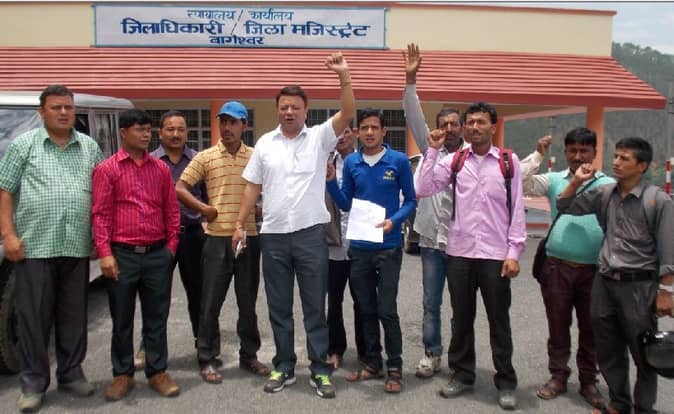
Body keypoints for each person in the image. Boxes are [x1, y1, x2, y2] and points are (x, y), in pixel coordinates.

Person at [232, 52, 355, 399]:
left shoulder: (319, 138)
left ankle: (319, 370)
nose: (289, 112)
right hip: (273, 237)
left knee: (315, 307)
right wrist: (240, 223)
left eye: (295, 107)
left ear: (305, 110)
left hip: (310, 235)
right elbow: (252, 187)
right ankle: (284, 366)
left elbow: (347, 112)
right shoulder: (264, 144)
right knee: (279, 307)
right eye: (284, 106)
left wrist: (343, 76)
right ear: (277, 109)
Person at [416, 102, 526, 410]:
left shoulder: (508, 162)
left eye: (481, 122)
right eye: (471, 122)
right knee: (462, 319)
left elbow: (517, 209)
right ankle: (462, 374)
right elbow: (423, 188)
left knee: (499, 321)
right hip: (460, 253)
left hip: (495, 255)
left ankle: (506, 382)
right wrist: (432, 150)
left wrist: (514, 252)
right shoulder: (455, 161)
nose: (475, 127)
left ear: (493, 126)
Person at [556, 137, 674, 414]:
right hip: (605, 282)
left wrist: (667, 291)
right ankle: (619, 403)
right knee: (608, 349)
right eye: (616, 157)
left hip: (639, 286)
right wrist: (577, 181)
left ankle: (644, 407)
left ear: (642, 166)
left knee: (644, 351)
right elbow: (565, 206)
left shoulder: (658, 200)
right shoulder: (605, 193)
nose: (616, 162)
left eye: (624, 158)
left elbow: (669, 249)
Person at [0, 85, 99, 412]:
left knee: (73, 316)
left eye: (68, 107)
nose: (63, 113)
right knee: (33, 320)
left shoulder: (88, 147)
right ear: (41, 112)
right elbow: (5, 191)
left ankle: (71, 373)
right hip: (35, 247)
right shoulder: (24, 145)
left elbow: (100, 194)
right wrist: (8, 235)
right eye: (56, 107)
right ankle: (33, 383)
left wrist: (99, 236)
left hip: (76, 245)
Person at [176, 101, 270, 383]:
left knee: (247, 302)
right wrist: (203, 209)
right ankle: (207, 356)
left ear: (244, 126)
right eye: (223, 122)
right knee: (210, 301)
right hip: (217, 239)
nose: (227, 128)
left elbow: (270, 188)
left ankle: (249, 355)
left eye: (233, 122)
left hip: (249, 238)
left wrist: (262, 208)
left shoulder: (255, 156)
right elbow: (180, 187)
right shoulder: (205, 157)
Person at [92, 109, 181, 402]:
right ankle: (122, 374)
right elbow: (101, 214)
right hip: (123, 255)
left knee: (157, 317)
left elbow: (171, 210)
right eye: (139, 129)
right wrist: (105, 253)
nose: (145, 134)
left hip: (157, 254)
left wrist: (170, 248)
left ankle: (157, 371)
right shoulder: (108, 169)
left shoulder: (160, 169)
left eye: (148, 129)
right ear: (123, 132)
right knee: (122, 318)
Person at [520, 128, 611, 408]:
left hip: (595, 270)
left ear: (595, 152)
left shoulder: (609, 185)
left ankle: (588, 380)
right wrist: (538, 155)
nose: (578, 156)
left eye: (584, 150)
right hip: (557, 267)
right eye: (573, 150)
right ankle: (558, 376)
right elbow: (520, 182)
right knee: (557, 326)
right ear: (566, 152)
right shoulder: (554, 179)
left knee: (591, 328)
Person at [326, 108, 416, 393]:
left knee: (386, 310)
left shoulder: (398, 161)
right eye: (364, 127)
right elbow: (345, 203)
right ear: (357, 132)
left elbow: (411, 201)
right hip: (360, 249)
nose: (368, 132)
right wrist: (331, 181)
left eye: (374, 127)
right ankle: (372, 363)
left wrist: (394, 221)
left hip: (388, 248)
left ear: (383, 131)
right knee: (365, 308)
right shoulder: (353, 162)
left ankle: (395, 367)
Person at [402, 43, 464, 378]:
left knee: (461, 304)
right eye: (444, 124)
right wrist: (411, 79)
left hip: (462, 244)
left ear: (462, 127)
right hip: (429, 241)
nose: (449, 129)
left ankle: (459, 357)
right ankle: (432, 353)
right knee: (431, 303)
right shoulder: (431, 150)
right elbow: (413, 114)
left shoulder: (473, 157)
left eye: (454, 124)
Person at [131, 110, 207, 370]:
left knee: (198, 294)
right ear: (160, 132)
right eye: (170, 129)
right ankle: (148, 347)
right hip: (159, 238)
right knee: (155, 295)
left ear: (187, 132)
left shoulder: (198, 160)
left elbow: (208, 196)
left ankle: (203, 346)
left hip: (193, 236)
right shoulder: (149, 161)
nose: (176, 134)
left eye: (181, 129)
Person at [325, 126, 365, 369]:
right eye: (337, 133)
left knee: (363, 301)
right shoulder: (326, 164)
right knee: (334, 301)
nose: (341, 137)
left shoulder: (364, 162)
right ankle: (335, 349)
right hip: (334, 244)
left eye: (346, 132)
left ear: (355, 133)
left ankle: (365, 352)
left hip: (361, 243)